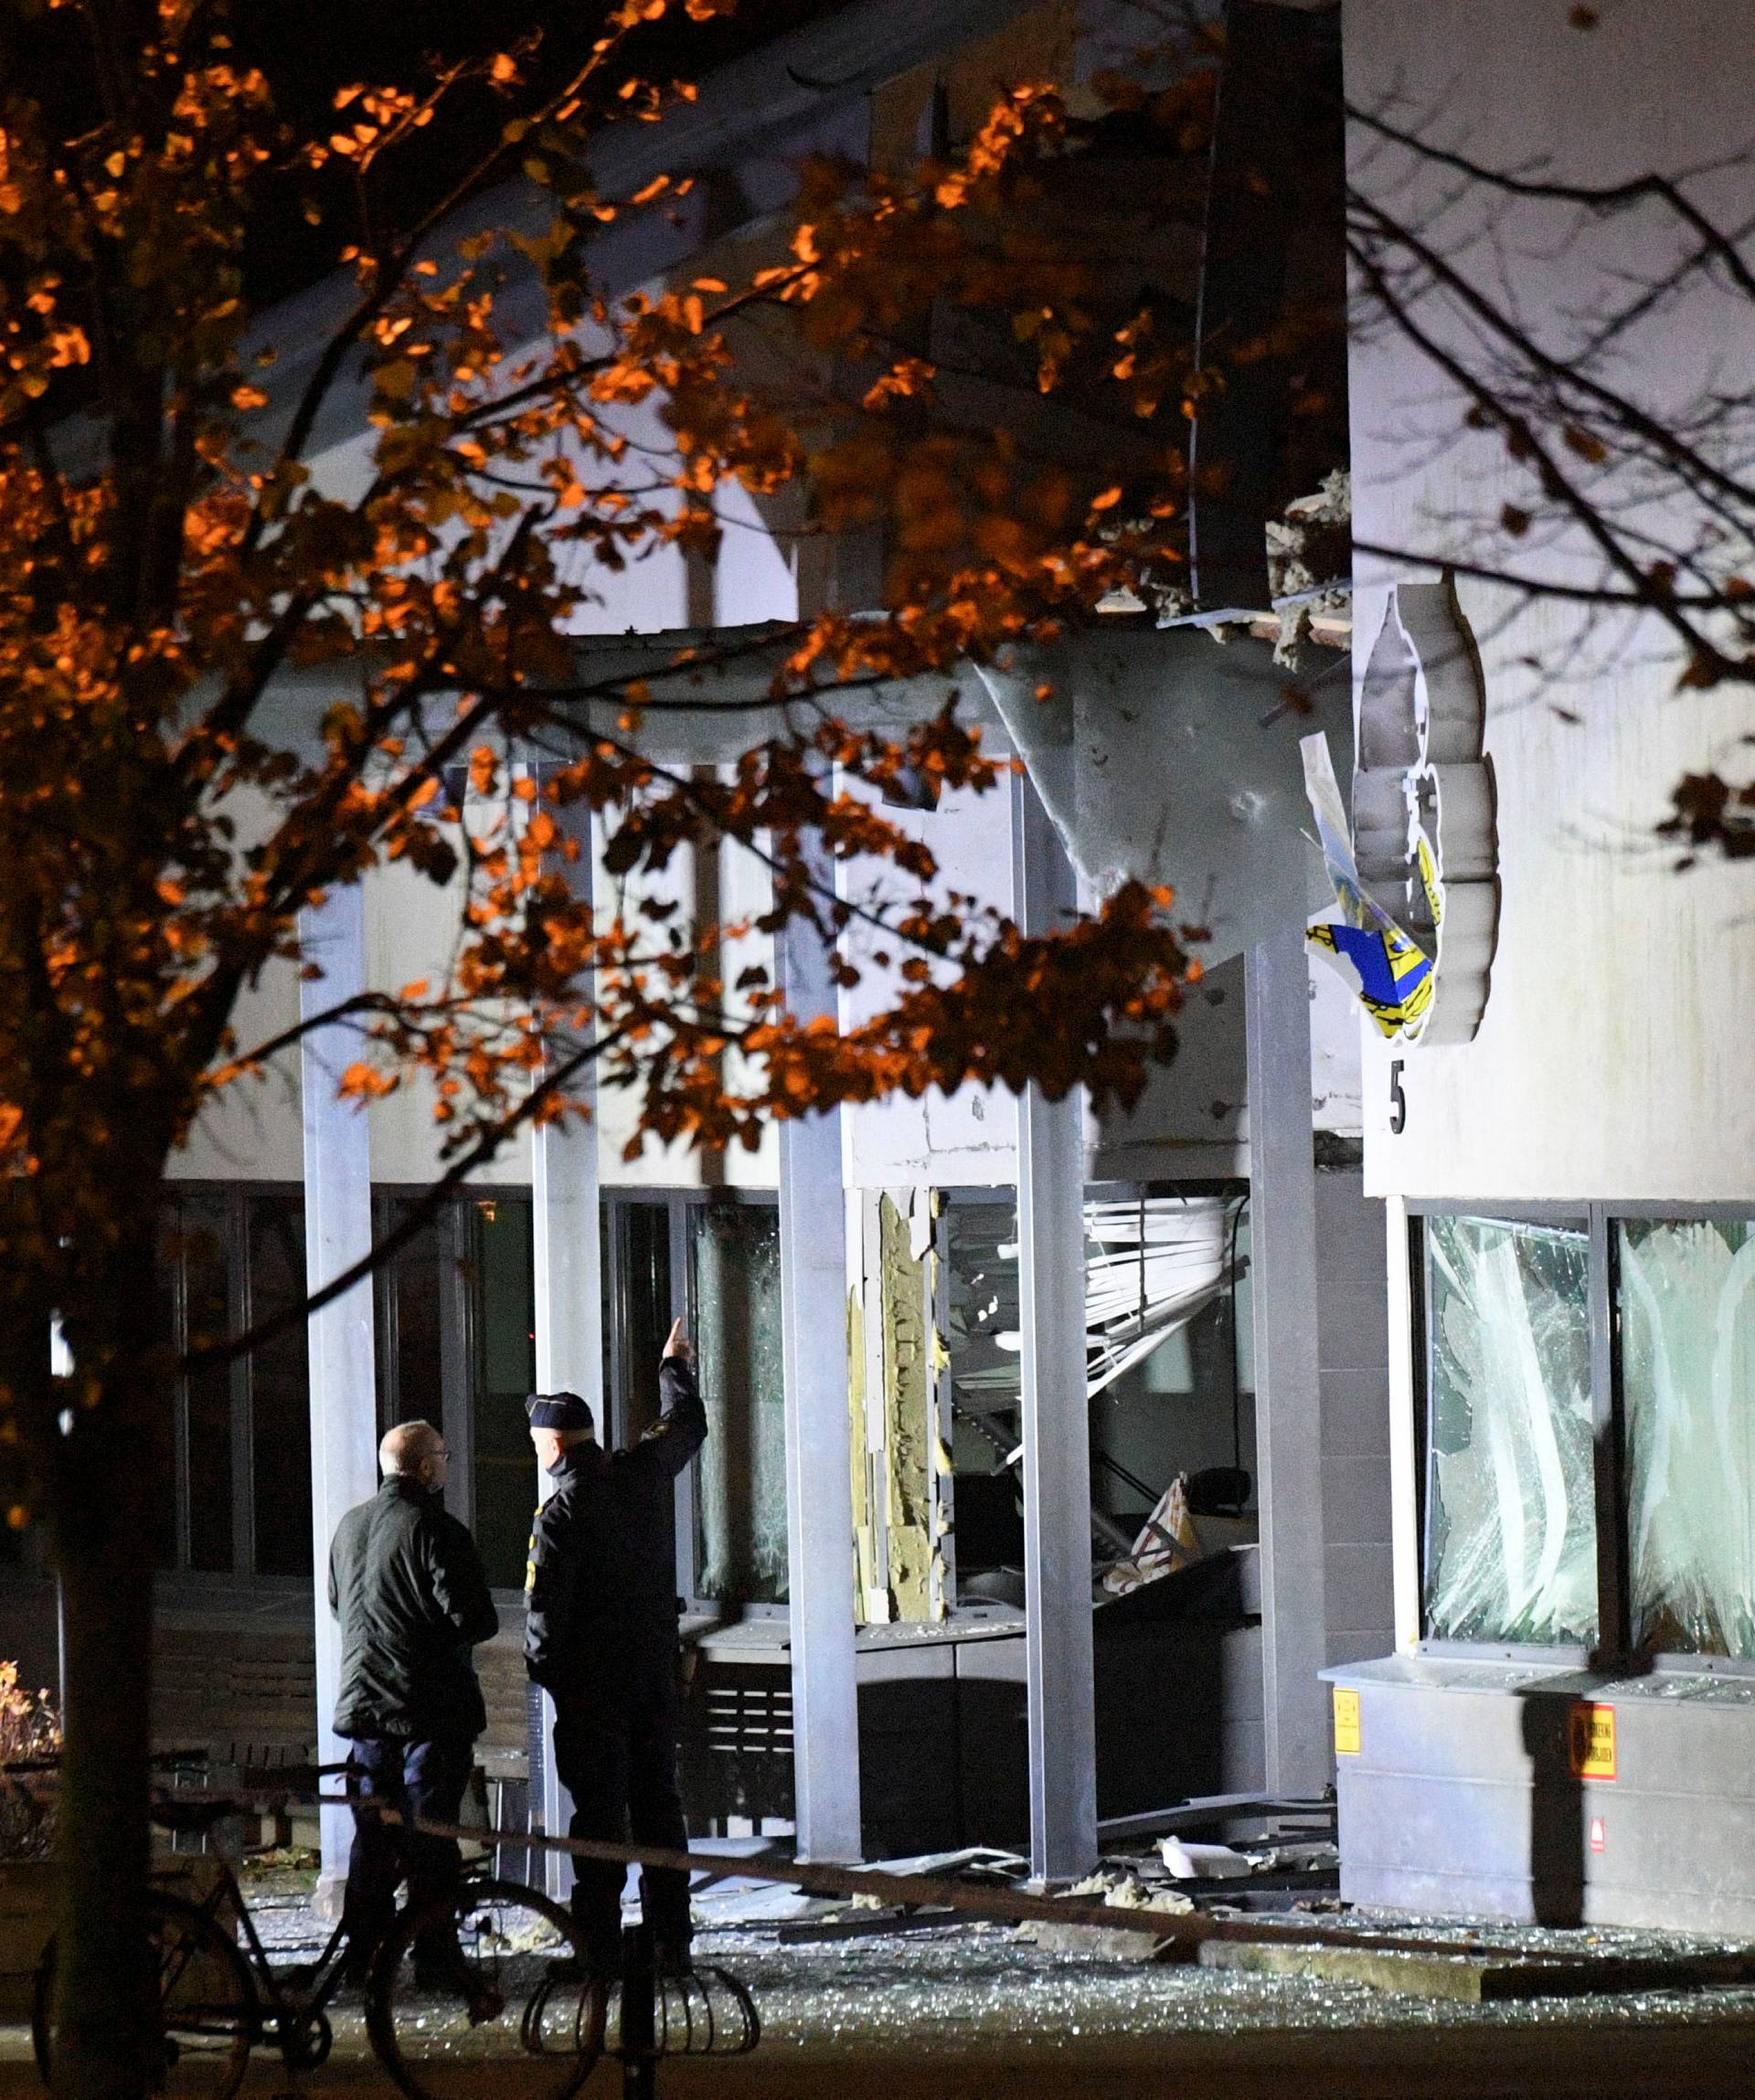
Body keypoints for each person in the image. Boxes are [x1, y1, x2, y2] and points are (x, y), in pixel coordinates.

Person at [525, 1318, 707, 1977]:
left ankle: (597, 1945)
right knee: (660, 1806)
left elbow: (544, 1617)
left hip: (593, 1695)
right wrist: (673, 1366)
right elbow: (687, 1424)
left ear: (551, 1444)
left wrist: (552, 1681)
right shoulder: (641, 1473)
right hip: (653, 1678)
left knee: (597, 1819)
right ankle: (671, 1940)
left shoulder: (561, 1515)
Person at [328, 1418, 499, 1986]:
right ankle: (436, 1958)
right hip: (429, 1713)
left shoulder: (349, 1527)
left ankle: (364, 1959)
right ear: (425, 1466)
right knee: (432, 1837)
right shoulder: (436, 1529)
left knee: (372, 1837)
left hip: (365, 1710)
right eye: (443, 1456)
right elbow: (473, 1619)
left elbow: (338, 1604)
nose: (446, 1464)